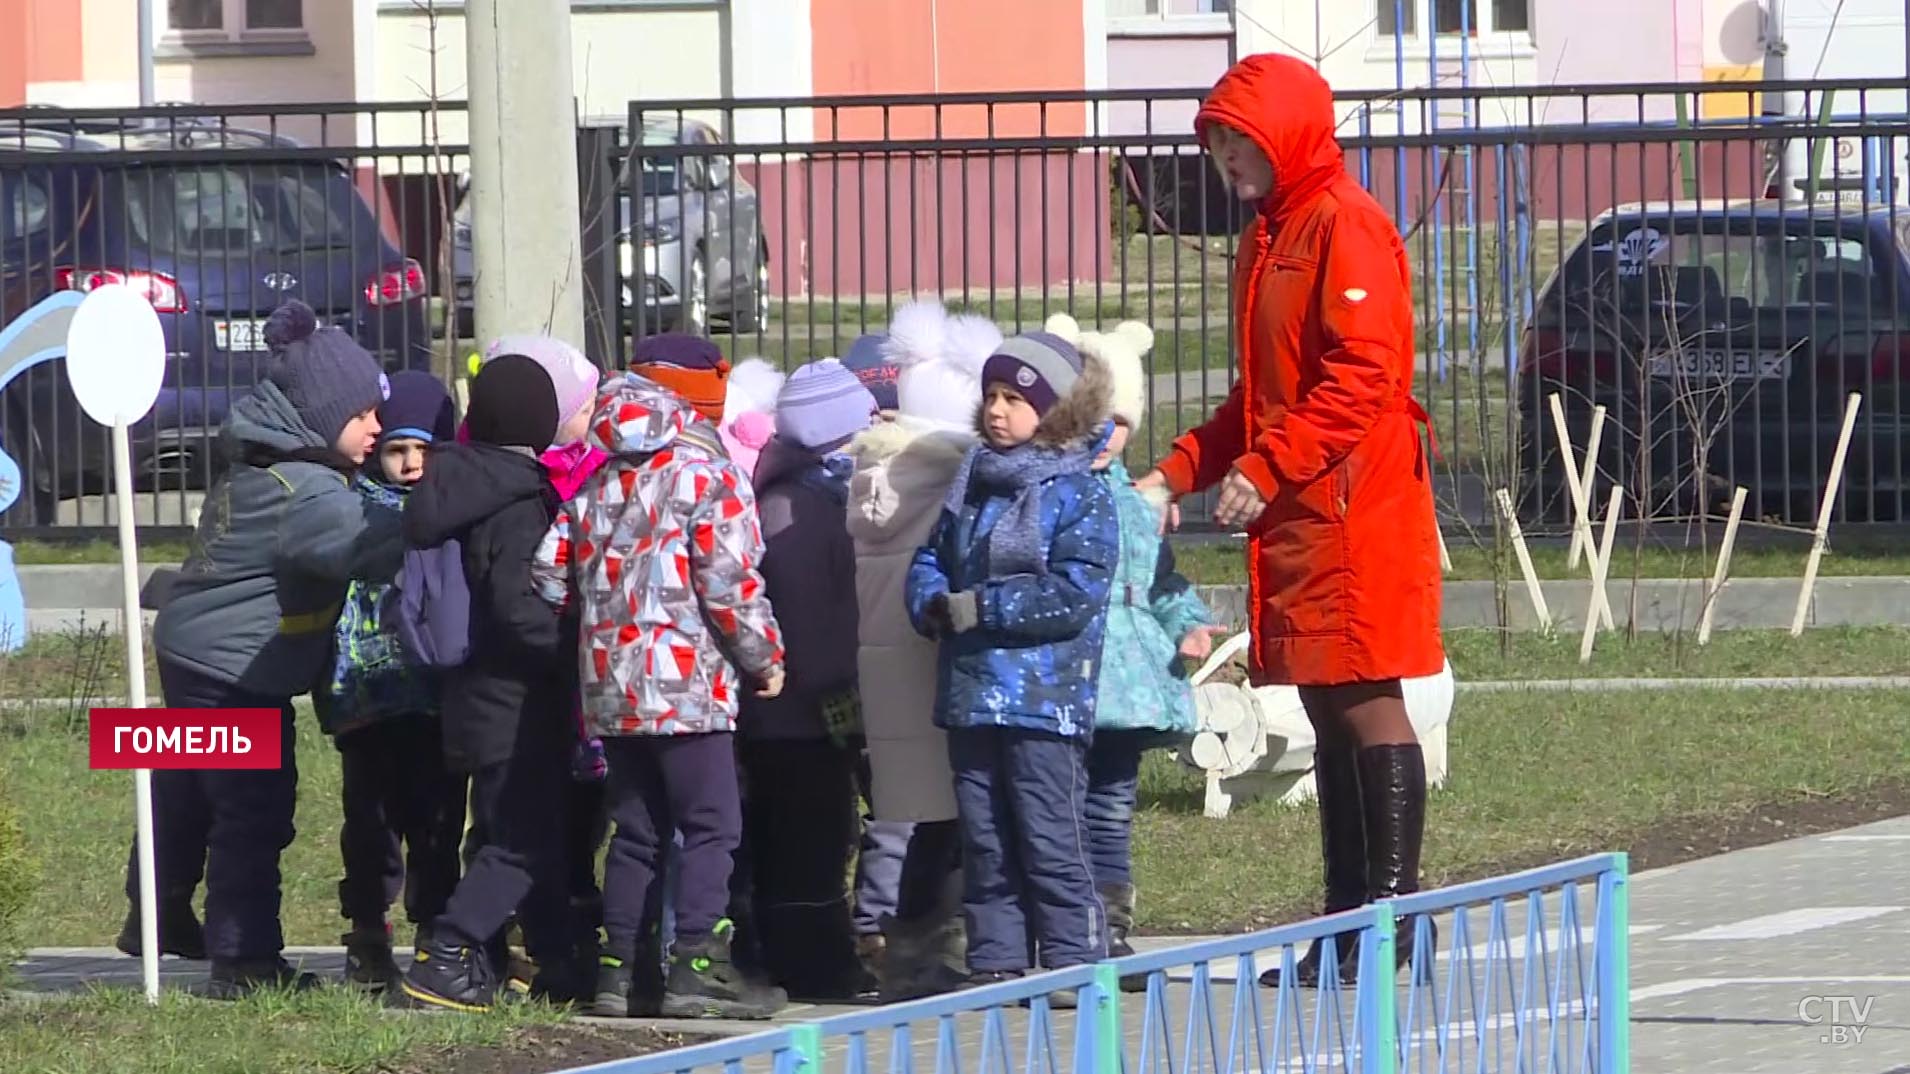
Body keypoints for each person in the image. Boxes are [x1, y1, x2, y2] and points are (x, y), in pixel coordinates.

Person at [1133, 53, 1446, 987]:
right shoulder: (1277, 231)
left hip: (1355, 498)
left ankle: (1393, 921)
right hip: (1311, 499)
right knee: (1322, 702)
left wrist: (1268, 467)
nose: (1228, 164)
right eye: (1221, 147)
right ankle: (1351, 926)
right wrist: (1176, 471)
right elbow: (1262, 394)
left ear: (1285, 139)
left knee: (1362, 696)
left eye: (1240, 145)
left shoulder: (1342, 224)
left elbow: (1363, 377)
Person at [144, 298, 402, 998]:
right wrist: (426, 520)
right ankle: (245, 960)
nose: (378, 425)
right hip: (235, 671)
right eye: (362, 414)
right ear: (321, 419)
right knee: (255, 809)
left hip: (189, 649)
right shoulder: (312, 493)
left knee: (191, 789)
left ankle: (156, 913)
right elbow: (358, 548)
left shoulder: (262, 465)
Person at [532, 371, 790, 1021]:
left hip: (612, 688)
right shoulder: (708, 476)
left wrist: (598, 618)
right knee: (712, 825)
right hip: (688, 685)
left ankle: (619, 971)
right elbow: (729, 583)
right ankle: (697, 965)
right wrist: (765, 659)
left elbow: (546, 572)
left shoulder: (593, 485)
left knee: (637, 829)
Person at [904, 323, 1118, 1000]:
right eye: (991, 396)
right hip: (972, 692)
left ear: (1054, 412)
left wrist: (982, 609)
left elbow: (1075, 594)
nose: (997, 410)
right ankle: (997, 959)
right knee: (986, 836)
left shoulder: (1078, 493)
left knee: (1050, 834)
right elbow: (932, 555)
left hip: (1043, 700)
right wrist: (931, 601)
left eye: (1014, 399)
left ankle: (1072, 958)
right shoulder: (974, 483)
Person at [398, 354, 580, 1011]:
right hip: (516, 698)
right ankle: (448, 952)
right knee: (521, 839)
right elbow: (517, 607)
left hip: (469, 695)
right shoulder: (517, 499)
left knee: (529, 830)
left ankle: (559, 959)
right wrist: (572, 646)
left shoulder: (454, 481)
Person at [1047, 314, 1223, 980]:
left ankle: (1112, 922)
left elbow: (1162, 578)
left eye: (1117, 422)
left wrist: (1188, 622)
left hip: (1129, 685)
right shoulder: (1051, 490)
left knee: (1113, 804)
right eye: (1090, 418)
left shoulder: (1141, 504)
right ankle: (1070, 920)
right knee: (1063, 803)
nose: (1103, 434)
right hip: (1068, 678)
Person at [846, 298, 1001, 1000]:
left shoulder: (876, 478)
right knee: (963, 820)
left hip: (886, 681)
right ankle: (946, 947)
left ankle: (907, 952)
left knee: (918, 821)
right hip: (938, 668)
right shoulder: (952, 486)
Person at [314, 371, 467, 993]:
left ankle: (435, 930)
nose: (408, 466)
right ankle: (368, 935)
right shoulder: (353, 511)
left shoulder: (453, 511)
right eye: (396, 451)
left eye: (423, 452)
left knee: (436, 821)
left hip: (433, 698)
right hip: (367, 699)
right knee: (371, 822)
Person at [736, 358, 879, 1000]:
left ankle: (790, 953)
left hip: (793, 711)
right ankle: (816, 964)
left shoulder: (805, 497)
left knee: (802, 839)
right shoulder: (798, 511)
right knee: (810, 845)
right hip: (801, 714)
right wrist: (839, 687)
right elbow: (808, 619)